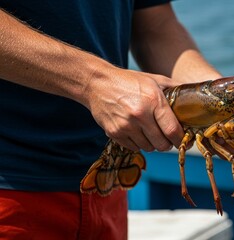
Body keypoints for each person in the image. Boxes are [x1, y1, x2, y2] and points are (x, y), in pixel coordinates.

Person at [0, 0, 222, 239]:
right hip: (11, 189)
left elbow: (155, 26)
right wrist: (93, 81)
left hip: (109, 182)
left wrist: (218, 95)